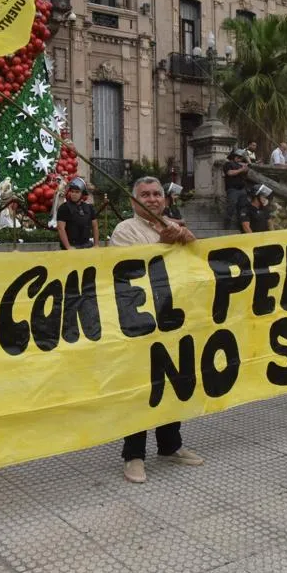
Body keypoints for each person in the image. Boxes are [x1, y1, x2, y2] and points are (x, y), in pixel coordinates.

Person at [110, 177, 203, 483]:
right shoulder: (125, 230)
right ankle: (134, 455)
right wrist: (164, 244)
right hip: (140, 323)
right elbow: (128, 271)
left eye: (157, 194)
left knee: (175, 380)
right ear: (133, 201)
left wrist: (189, 241)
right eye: (145, 195)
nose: (152, 199)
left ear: (165, 199)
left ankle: (170, 444)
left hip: (173, 318)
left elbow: (196, 266)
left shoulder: (173, 225)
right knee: (141, 388)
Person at [56, 177, 99, 249]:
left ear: (82, 193)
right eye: (72, 191)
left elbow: (95, 226)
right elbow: (61, 229)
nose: (73, 194)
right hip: (72, 247)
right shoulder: (64, 208)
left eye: (77, 192)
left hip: (86, 245)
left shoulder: (89, 207)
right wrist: (68, 247)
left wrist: (96, 244)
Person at [223, 150, 249, 230]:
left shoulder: (240, 164)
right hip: (232, 189)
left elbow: (246, 171)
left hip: (242, 189)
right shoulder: (227, 164)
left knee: (243, 208)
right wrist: (241, 169)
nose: (240, 159)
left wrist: (245, 166)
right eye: (238, 157)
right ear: (234, 157)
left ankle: (241, 225)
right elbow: (230, 173)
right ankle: (227, 224)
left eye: (241, 158)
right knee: (231, 206)